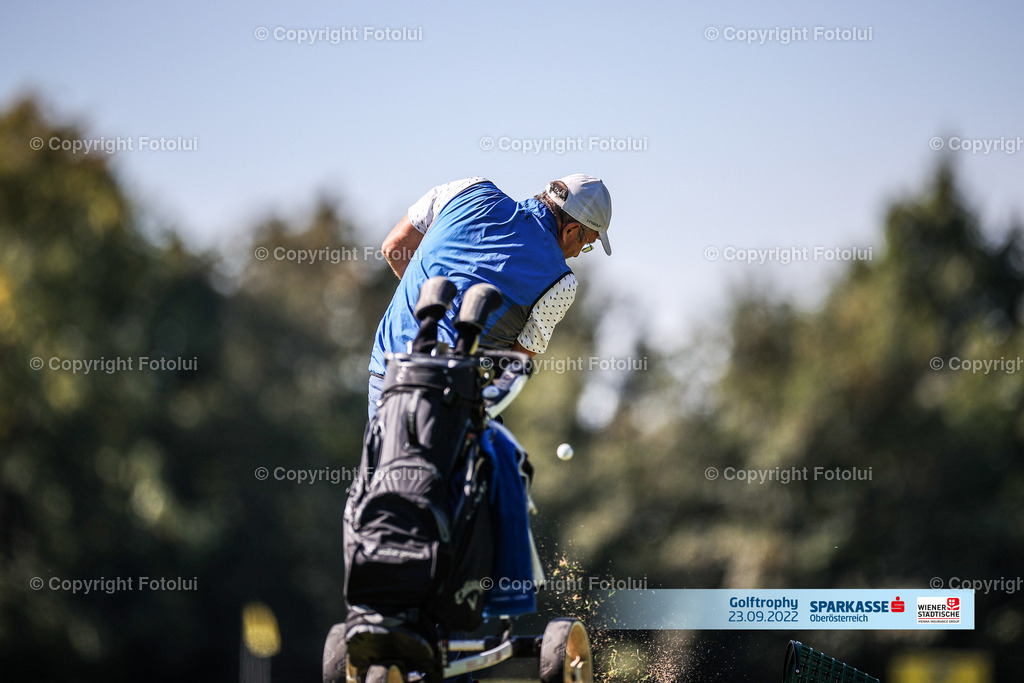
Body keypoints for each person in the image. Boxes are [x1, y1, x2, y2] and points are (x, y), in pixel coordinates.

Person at [367, 174, 612, 418]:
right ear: (571, 230)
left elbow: (395, 247)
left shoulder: (468, 188)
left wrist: (428, 304)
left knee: (384, 456)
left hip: (388, 371)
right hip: (453, 399)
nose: (579, 254)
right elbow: (515, 364)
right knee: (506, 456)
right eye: (586, 244)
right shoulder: (562, 282)